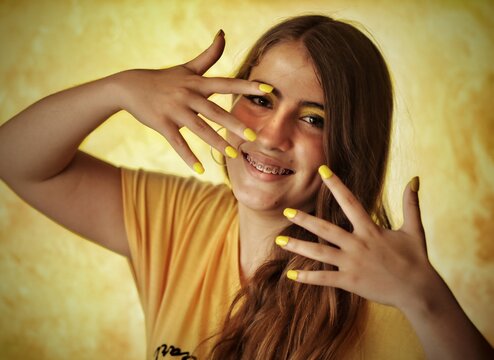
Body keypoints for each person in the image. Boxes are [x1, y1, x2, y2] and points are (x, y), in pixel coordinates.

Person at [0, 14, 491, 360]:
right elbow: (16, 158)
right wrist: (119, 89)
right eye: (259, 99)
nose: (272, 135)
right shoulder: (179, 216)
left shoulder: (393, 295)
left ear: (351, 144)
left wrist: (428, 303)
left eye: (314, 119)